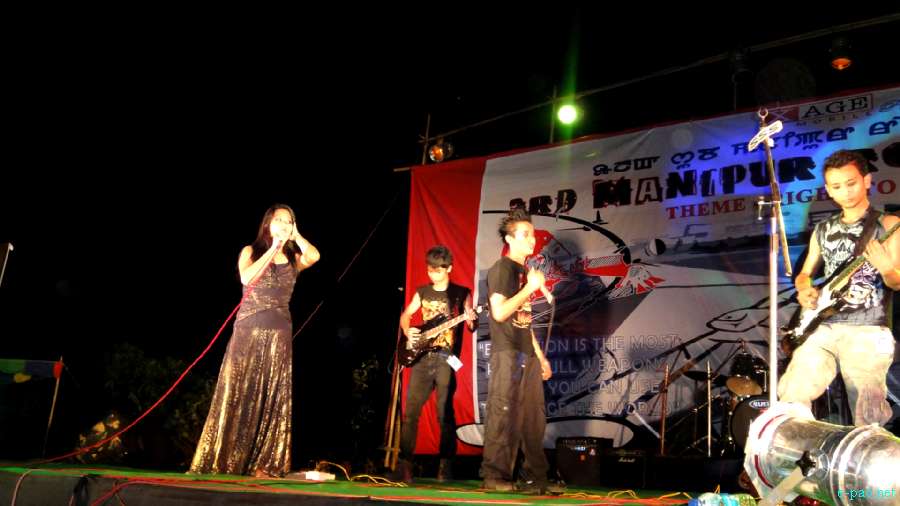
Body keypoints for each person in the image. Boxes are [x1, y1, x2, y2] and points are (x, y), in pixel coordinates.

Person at [190, 204, 320, 477]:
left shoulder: (294, 259)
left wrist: (296, 236)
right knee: (238, 392)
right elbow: (247, 277)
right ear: (267, 224)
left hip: (279, 333)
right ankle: (224, 460)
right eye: (279, 220)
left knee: (271, 397)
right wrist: (273, 248)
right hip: (248, 331)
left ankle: (264, 463)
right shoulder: (250, 251)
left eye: (289, 221)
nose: (284, 224)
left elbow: (315, 256)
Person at [778, 150, 899, 427]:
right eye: (836, 186)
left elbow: (896, 281)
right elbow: (805, 274)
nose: (845, 191)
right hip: (823, 325)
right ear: (829, 190)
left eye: (851, 183)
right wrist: (804, 289)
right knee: (793, 393)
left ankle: (869, 453)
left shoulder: (889, 225)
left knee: (867, 415)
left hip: (867, 328)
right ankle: (793, 449)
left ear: (866, 181)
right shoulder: (823, 229)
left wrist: (886, 268)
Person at [480, 209, 560, 494]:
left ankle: (534, 478)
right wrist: (530, 289)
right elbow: (500, 312)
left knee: (533, 417)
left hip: (527, 353)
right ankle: (495, 476)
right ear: (509, 239)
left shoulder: (525, 273)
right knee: (504, 412)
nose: (532, 240)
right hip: (508, 352)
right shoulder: (502, 269)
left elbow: (524, 322)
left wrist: (540, 356)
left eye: (533, 235)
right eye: (525, 235)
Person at [394, 245, 476, 483]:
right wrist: (408, 330)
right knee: (410, 413)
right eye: (430, 270)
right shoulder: (422, 292)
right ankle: (405, 465)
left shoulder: (461, 293)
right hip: (422, 357)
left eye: (438, 270)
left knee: (444, 414)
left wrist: (471, 319)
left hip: (446, 359)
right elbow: (406, 315)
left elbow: (471, 323)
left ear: (449, 268)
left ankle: (445, 466)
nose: (433, 274)